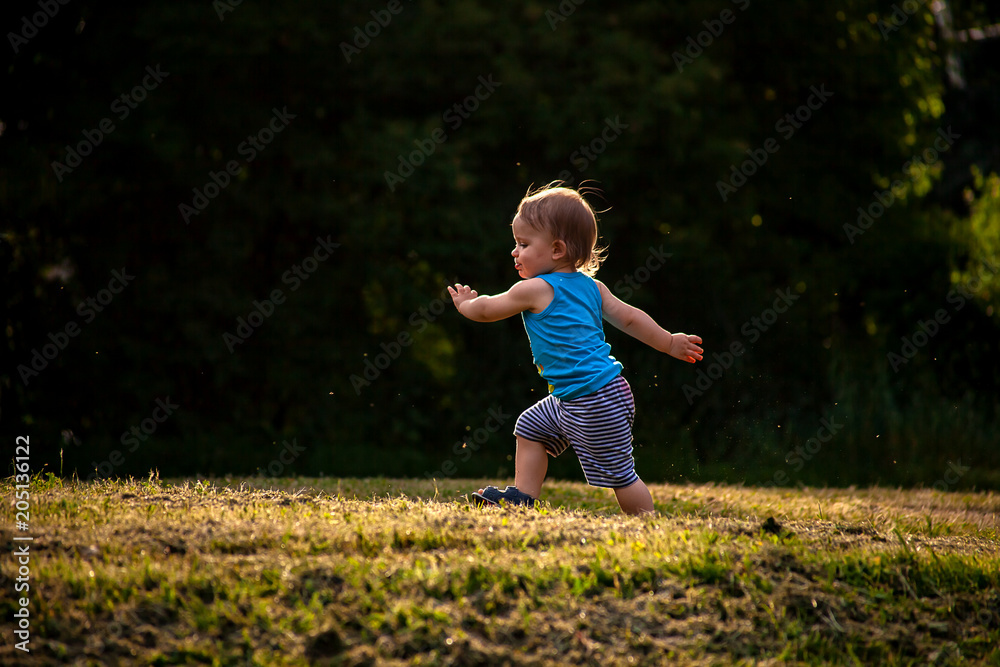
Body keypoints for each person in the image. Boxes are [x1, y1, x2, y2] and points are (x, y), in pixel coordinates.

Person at [448, 184, 703, 515]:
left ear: (556, 249)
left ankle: (647, 522)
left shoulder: (535, 289)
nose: (515, 251)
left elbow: (487, 310)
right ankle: (523, 496)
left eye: (523, 244)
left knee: (620, 475)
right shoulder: (593, 287)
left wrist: (466, 304)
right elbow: (629, 319)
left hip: (593, 397)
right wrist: (668, 341)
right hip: (581, 395)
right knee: (530, 427)